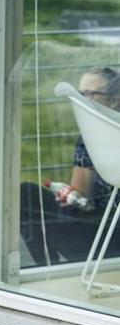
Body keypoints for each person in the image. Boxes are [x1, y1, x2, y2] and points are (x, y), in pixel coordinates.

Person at [21, 67, 120, 266]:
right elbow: (81, 197)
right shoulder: (89, 137)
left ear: (115, 99)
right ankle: (48, 269)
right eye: (80, 94)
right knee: (27, 194)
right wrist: (67, 196)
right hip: (95, 231)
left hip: (113, 239)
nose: (82, 100)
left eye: (90, 94)